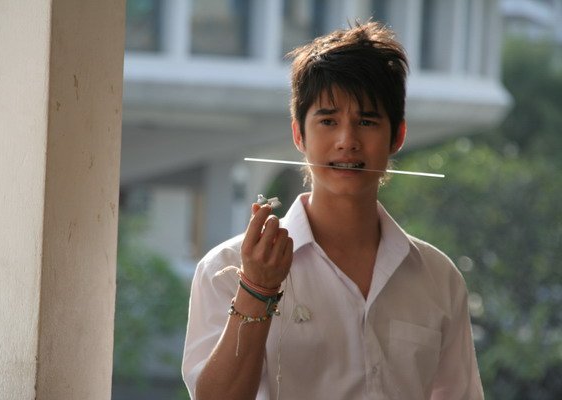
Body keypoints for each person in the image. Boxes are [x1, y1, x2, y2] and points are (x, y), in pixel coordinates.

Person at [182, 21, 484, 400]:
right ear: (299, 134)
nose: (347, 141)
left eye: (367, 121)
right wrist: (257, 289)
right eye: (328, 120)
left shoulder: (438, 277)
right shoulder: (226, 268)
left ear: (397, 136)